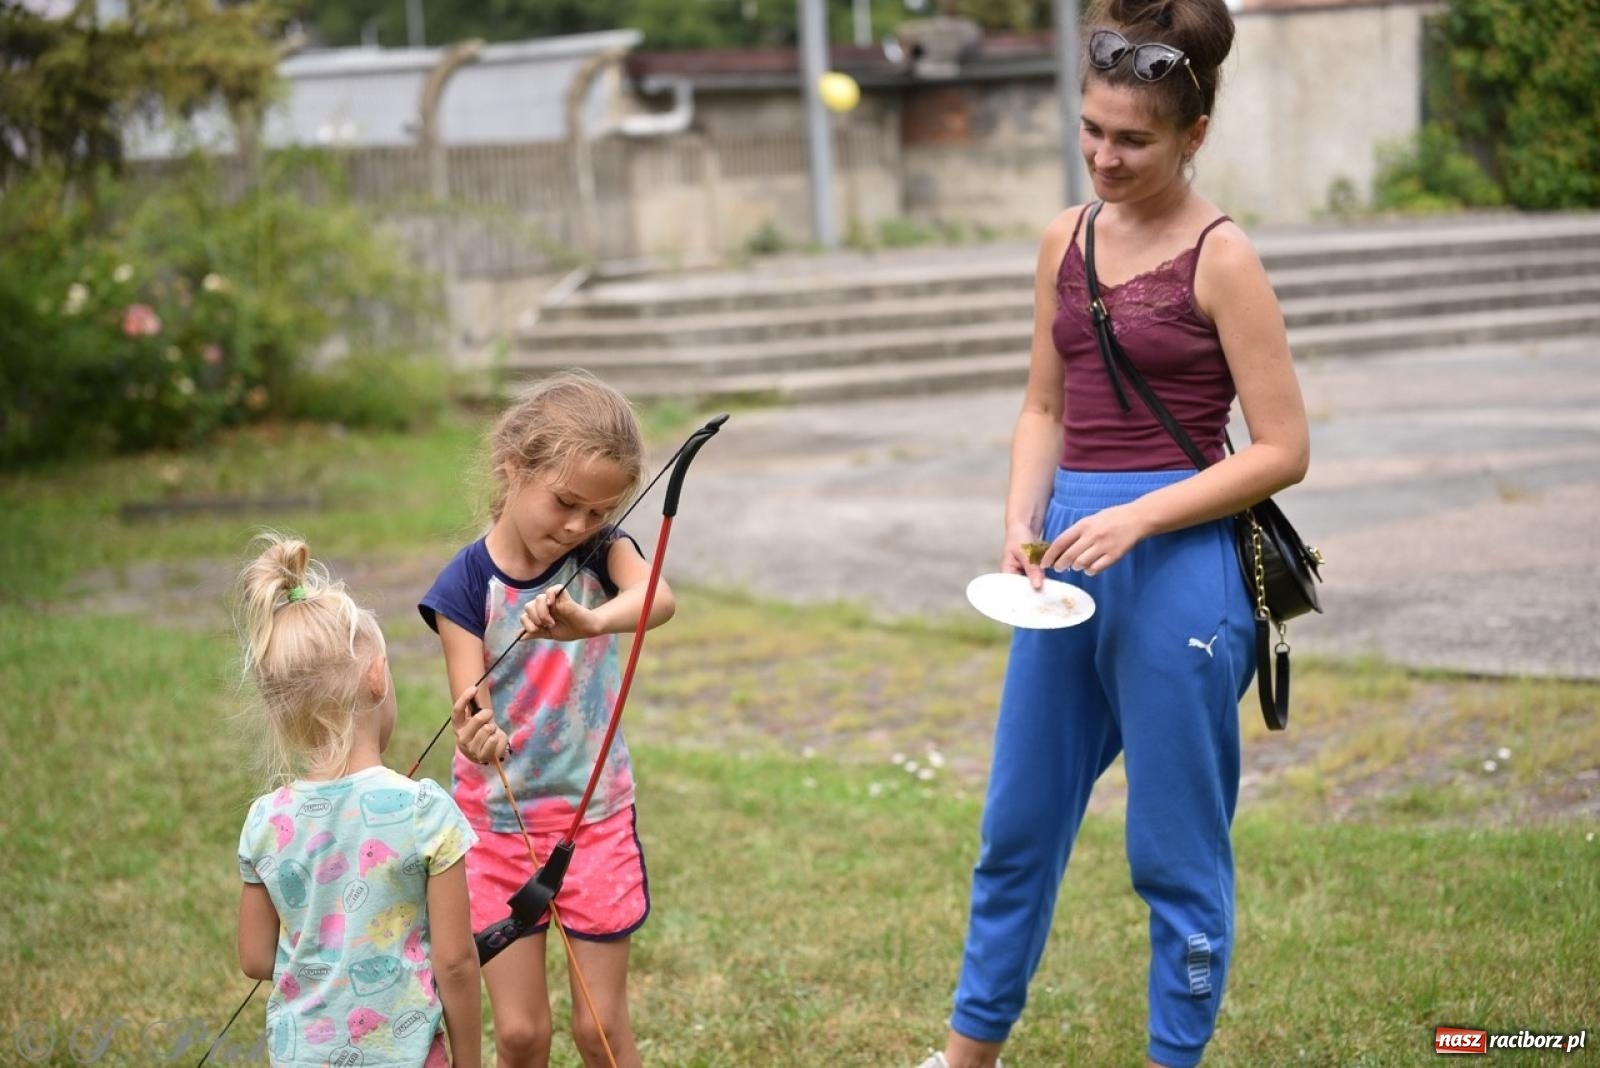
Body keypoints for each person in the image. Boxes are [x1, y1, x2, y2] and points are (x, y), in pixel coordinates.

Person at [918, 1, 1311, 1066]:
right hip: (1064, 573)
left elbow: (1283, 448)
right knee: (1015, 830)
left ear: (1193, 134)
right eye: (1091, 129)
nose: (1103, 156)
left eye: (1132, 139)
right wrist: (1021, 517)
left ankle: (1174, 1056)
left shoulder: (1223, 258)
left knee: (1173, 856)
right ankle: (966, 1054)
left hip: (1181, 569)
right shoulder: (1067, 237)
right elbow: (1043, 406)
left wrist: (1136, 513)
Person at [419, 370, 676, 1068]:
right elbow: (469, 704)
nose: (577, 526)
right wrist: (478, 736)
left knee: (600, 1028)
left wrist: (590, 621)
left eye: (598, 511)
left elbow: (657, 599)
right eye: (565, 503)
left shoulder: (599, 552)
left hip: (595, 819)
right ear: (515, 466)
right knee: (522, 1034)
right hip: (499, 829)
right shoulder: (464, 585)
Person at [234, 532, 480, 1068]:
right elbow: (456, 962)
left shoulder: (265, 820)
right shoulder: (425, 811)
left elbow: (254, 958)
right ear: (377, 678)